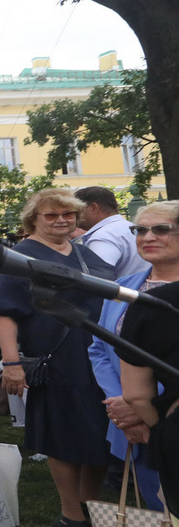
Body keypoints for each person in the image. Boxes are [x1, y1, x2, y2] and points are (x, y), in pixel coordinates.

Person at [0, 187, 114, 527]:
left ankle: (92, 506)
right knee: (63, 434)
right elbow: (4, 312)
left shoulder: (84, 253)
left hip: (99, 357)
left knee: (99, 431)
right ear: (34, 220)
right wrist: (11, 363)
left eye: (68, 214)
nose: (61, 220)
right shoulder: (21, 257)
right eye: (51, 215)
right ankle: (70, 513)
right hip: (56, 360)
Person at [91, 200, 179, 510]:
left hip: (167, 420)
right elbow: (99, 347)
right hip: (129, 422)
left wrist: (143, 409)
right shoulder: (122, 288)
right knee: (155, 517)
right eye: (140, 230)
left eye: (161, 229)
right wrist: (123, 403)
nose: (148, 237)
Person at [76, 186, 149, 277]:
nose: (74, 216)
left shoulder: (103, 237)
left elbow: (100, 277)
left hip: (122, 290)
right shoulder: (130, 227)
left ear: (93, 208)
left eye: (77, 210)